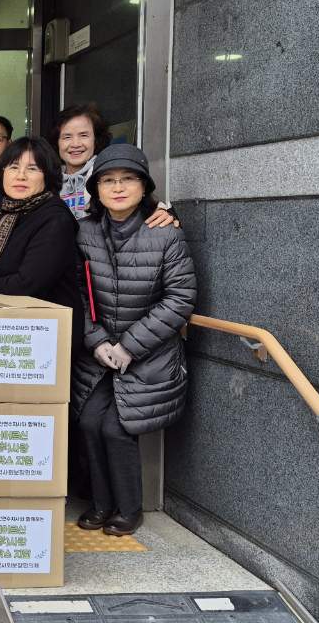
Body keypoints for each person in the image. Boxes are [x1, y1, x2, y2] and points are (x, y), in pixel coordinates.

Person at [73, 144, 196, 536]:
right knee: (90, 421)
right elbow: (77, 291)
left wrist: (129, 346)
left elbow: (180, 298)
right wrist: (96, 342)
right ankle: (100, 504)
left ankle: (129, 508)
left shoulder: (165, 235)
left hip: (149, 355)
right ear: (96, 190)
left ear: (144, 187)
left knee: (115, 427)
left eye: (128, 179)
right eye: (108, 181)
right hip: (100, 352)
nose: (118, 187)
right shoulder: (85, 232)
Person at [0, 136, 85, 360]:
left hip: (45, 340)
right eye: (13, 167)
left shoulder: (54, 218)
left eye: (32, 168)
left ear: (48, 176)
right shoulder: (8, 212)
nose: (20, 175)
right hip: (11, 331)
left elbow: (27, 283)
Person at [55, 104, 111, 219]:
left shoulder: (108, 174)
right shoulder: (48, 180)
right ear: (57, 142)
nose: (75, 144)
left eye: (84, 135)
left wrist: (157, 209)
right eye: (67, 137)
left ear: (96, 140)